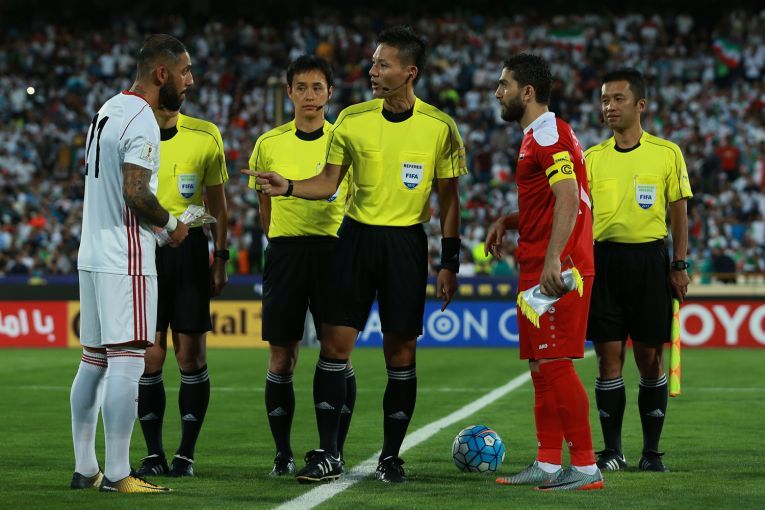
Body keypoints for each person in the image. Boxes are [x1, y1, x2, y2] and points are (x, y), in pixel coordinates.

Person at [248, 25, 466, 484]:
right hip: (355, 240)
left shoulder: (440, 127)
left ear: (410, 72)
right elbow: (329, 182)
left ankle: (391, 457)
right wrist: (289, 186)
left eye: (382, 64)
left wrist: (450, 262)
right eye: (372, 63)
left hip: (406, 244)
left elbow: (449, 200)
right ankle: (329, 453)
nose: (372, 71)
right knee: (334, 346)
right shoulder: (351, 119)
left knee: (401, 351)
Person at [71, 33, 191, 493]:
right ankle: (119, 474)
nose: (190, 80)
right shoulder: (142, 119)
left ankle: (86, 468)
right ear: (161, 74)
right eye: (184, 71)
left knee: (93, 361)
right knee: (127, 361)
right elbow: (136, 193)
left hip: (92, 252)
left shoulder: (108, 109)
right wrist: (171, 225)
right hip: (125, 257)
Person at [484, 53, 603, 491]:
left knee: (554, 363)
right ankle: (548, 462)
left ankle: (586, 468)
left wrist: (554, 259)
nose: (498, 92)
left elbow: (569, 196)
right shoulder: (537, 136)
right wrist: (508, 221)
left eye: (504, 84)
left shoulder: (549, 133)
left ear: (527, 92)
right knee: (540, 366)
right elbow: (550, 202)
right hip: (537, 262)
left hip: (557, 268)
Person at [246, 55, 354, 477]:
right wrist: (279, 240)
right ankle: (282, 454)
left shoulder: (344, 141)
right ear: (289, 92)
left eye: (317, 87)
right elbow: (264, 206)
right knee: (281, 358)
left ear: (330, 93)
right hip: (286, 255)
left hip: (334, 252)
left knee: (337, 352)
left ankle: (333, 450)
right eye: (302, 87)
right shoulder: (268, 143)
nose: (310, 95)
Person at [584, 68, 692, 472]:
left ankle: (651, 452)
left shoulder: (667, 153)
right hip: (604, 263)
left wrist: (679, 264)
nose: (609, 107)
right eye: (604, 100)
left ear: (640, 105)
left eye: (618, 99)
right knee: (607, 359)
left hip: (650, 262)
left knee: (649, 359)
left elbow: (679, 212)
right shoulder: (591, 158)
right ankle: (612, 451)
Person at [135, 71, 229, 477]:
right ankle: (154, 454)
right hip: (145, 249)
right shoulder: (133, 131)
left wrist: (220, 257)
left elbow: (219, 206)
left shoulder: (206, 135)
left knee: (190, 356)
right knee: (149, 357)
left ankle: (185, 456)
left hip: (189, 250)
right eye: (181, 76)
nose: (187, 84)